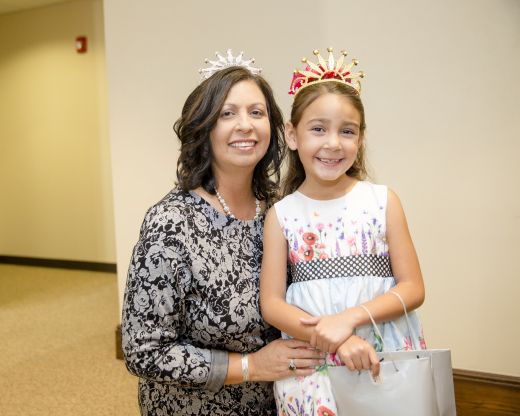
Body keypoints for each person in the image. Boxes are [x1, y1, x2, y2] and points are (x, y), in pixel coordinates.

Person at [121, 50, 325, 416]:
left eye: (256, 112)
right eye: (227, 114)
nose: (245, 125)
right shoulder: (171, 223)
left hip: (281, 402)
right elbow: (143, 351)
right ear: (203, 128)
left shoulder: (281, 211)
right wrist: (252, 366)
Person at [260, 47, 427, 415]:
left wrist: (349, 320)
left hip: (385, 355)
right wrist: (335, 339)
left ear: (360, 138)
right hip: (314, 363)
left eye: (347, 131)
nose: (333, 143)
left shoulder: (383, 201)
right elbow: (272, 304)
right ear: (292, 135)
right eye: (318, 129)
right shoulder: (281, 215)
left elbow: (413, 288)